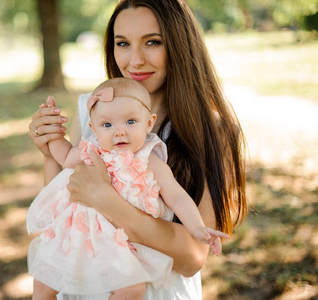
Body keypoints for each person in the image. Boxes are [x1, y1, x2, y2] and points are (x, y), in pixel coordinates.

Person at [28, 0, 247, 298]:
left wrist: (108, 201)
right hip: (85, 282)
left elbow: (193, 258)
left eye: (152, 42)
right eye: (123, 43)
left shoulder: (212, 132)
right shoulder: (92, 111)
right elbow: (65, 200)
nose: (135, 60)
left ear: (180, 45)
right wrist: (48, 153)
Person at [27, 78, 230, 299]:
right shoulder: (92, 151)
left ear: (149, 122)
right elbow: (65, 156)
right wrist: (53, 133)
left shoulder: (150, 160)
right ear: (93, 128)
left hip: (119, 242)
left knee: (132, 288)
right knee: (45, 284)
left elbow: (177, 198)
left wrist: (198, 229)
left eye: (131, 122)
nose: (119, 132)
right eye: (107, 125)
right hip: (79, 233)